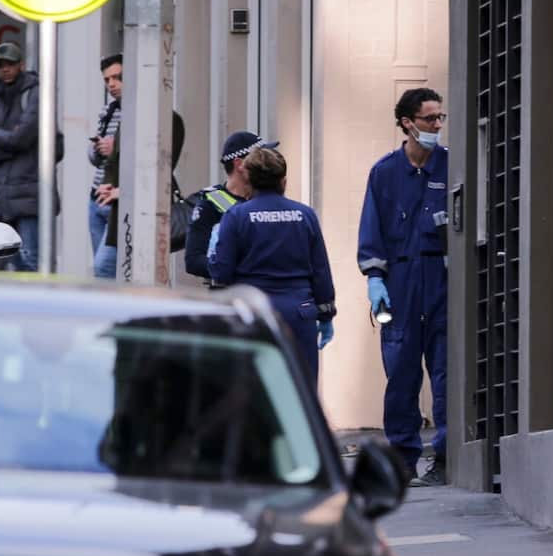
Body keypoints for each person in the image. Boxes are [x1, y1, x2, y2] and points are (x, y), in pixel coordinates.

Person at [357, 87, 450, 487]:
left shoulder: (451, 166)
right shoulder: (384, 173)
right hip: (400, 282)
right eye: (430, 119)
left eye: (440, 118)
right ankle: (403, 460)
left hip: (442, 281)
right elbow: (372, 229)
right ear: (407, 123)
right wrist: (375, 278)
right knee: (401, 375)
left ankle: (446, 455)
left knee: (447, 373)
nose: (437, 126)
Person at [208, 147, 336, 385]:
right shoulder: (305, 215)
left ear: (248, 179)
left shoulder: (236, 216)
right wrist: (327, 313)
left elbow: (222, 272)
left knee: (254, 390)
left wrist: (213, 255)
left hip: (253, 312)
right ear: (283, 181)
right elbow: (321, 270)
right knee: (300, 391)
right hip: (300, 312)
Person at [0, 42, 53, 272]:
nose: (5, 69)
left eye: (9, 64)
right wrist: (11, 140)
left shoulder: (35, 95)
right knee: (7, 264)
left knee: (31, 260)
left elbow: (23, 137)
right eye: (0, 65)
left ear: (21, 64)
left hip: (30, 195)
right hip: (4, 198)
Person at [97, 110, 185, 279]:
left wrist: (125, 191)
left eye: (115, 81)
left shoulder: (168, 119)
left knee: (107, 267)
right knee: (108, 268)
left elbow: (163, 167)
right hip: (115, 207)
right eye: (107, 81)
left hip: (143, 210)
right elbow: (112, 160)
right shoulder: (128, 117)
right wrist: (107, 185)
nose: (111, 85)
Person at [185, 131, 277, 283]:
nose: (264, 164)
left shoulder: (268, 196)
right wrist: (237, 269)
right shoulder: (211, 203)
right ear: (239, 164)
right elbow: (194, 261)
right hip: (230, 295)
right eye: (258, 159)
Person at [88, 54, 123, 269]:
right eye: (107, 80)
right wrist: (98, 149)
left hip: (117, 200)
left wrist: (115, 148)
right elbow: (93, 159)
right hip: (96, 197)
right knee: (100, 265)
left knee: (103, 267)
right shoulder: (108, 111)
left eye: (117, 77)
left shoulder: (140, 112)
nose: (111, 84)